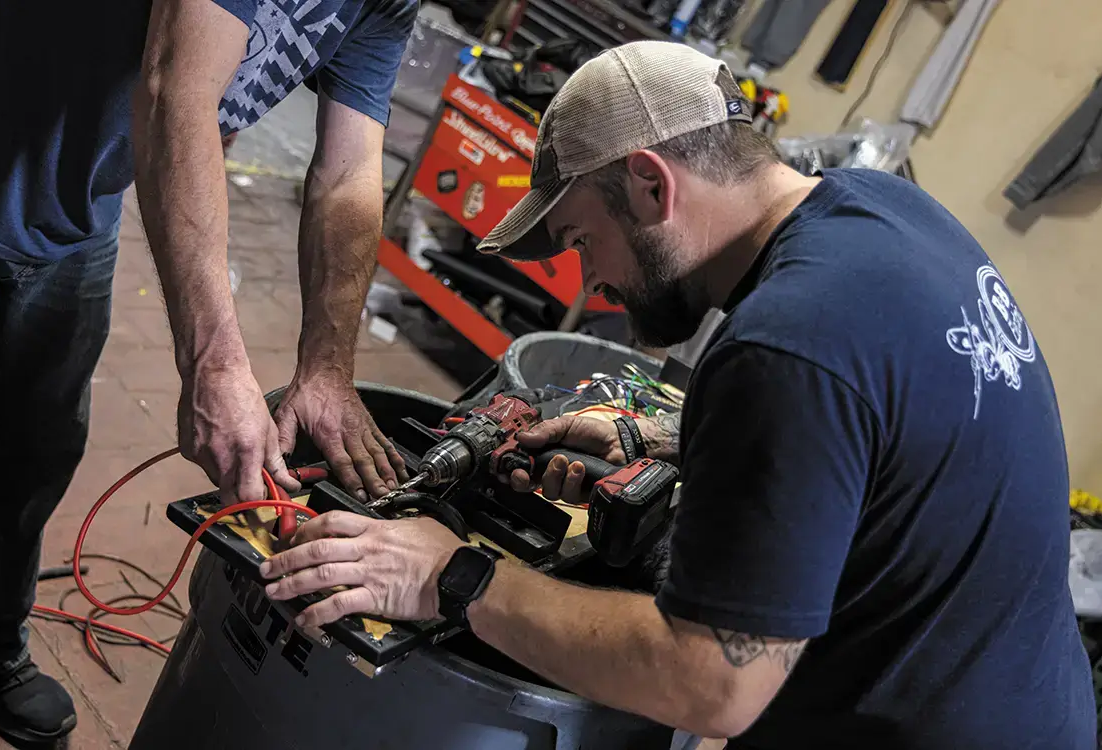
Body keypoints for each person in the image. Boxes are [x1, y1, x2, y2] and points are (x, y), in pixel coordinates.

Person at [259, 40, 1096, 748]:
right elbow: (883, 435)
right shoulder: (886, 211)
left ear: (651, 184)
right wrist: (667, 446)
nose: (592, 278)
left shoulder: (783, 342)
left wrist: (454, 577)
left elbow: (709, 686)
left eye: (586, 239)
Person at [0, 0, 413, 741]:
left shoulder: (388, 6)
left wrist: (326, 369)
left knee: (36, 450)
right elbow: (175, 90)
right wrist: (215, 362)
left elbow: (348, 176)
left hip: (77, 209)